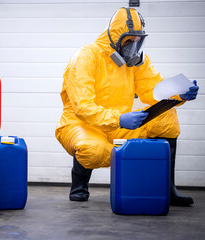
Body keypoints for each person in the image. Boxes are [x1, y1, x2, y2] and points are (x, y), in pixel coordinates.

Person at [55, 7, 199, 206]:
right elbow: (83, 107)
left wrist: (179, 94)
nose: (134, 45)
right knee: (94, 150)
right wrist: (119, 119)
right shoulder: (86, 57)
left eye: (137, 40)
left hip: (119, 124)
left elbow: (152, 89)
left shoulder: (135, 62)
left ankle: (168, 189)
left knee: (167, 118)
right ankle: (79, 186)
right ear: (116, 37)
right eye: (129, 40)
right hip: (81, 125)